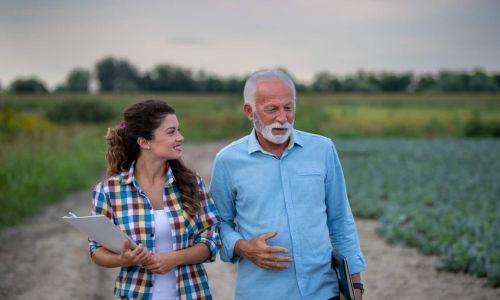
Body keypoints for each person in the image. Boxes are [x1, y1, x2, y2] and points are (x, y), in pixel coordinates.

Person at [210, 69, 366, 300]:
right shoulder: (228, 160)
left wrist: (355, 285)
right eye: (272, 109)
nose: (282, 118)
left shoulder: (322, 150)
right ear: (249, 111)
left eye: (289, 107)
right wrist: (243, 247)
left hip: (323, 291)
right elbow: (218, 223)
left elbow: (340, 218)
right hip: (260, 293)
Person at [89, 99, 220, 300]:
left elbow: (211, 239)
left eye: (179, 130)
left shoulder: (192, 184)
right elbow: (97, 251)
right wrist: (123, 259)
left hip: (192, 293)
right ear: (144, 142)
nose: (180, 137)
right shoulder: (109, 191)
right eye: (171, 132)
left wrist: (175, 258)